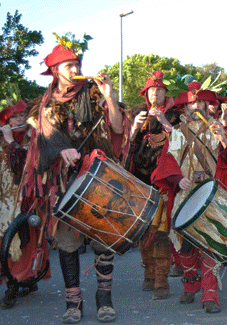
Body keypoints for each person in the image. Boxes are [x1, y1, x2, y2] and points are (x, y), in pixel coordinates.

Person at [22, 35, 129, 323]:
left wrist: (108, 96)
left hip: (97, 177)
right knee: (68, 243)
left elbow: (118, 128)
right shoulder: (42, 104)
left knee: (102, 241)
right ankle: (73, 303)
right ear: (56, 71)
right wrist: (61, 148)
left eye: (77, 64)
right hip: (62, 182)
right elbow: (42, 135)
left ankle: (104, 300)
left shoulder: (93, 93)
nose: (76, 68)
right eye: (69, 65)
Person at [157, 81, 227, 313]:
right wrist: (176, 179)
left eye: (201, 102)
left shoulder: (219, 129)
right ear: (185, 108)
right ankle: (191, 281)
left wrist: (225, 141)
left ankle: (209, 293)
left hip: (212, 194)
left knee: (210, 243)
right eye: (192, 103)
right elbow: (167, 162)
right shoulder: (177, 133)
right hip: (185, 194)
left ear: (208, 105)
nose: (196, 106)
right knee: (184, 247)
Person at [126, 71, 181, 300]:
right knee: (143, 231)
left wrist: (165, 122)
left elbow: (181, 142)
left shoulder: (175, 114)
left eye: (159, 90)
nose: (155, 94)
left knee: (161, 233)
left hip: (164, 182)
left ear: (164, 93)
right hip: (139, 181)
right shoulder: (136, 113)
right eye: (151, 90)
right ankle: (148, 273)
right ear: (146, 94)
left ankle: (161, 280)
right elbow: (123, 148)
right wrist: (134, 129)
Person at [0, 96, 50, 309]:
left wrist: (11, 141)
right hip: (4, 202)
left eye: (22, 115)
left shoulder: (31, 140)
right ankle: (23, 280)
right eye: (15, 117)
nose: (19, 119)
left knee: (23, 244)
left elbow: (24, 166)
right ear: (6, 122)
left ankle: (16, 283)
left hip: (26, 201)